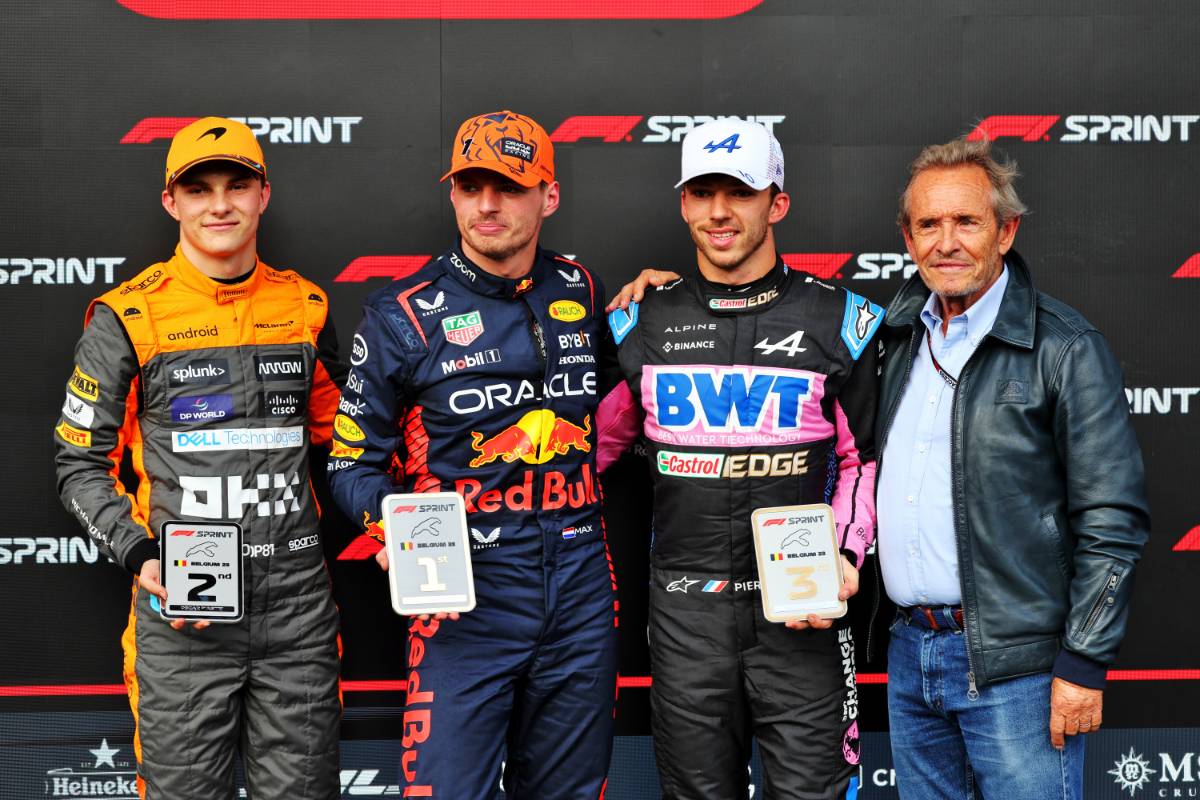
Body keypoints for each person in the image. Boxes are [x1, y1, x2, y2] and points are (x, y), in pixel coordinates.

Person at [326, 109, 617, 799]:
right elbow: (349, 464)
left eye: (509, 186)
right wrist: (390, 523)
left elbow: (617, 409)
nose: (487, 205)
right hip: (465, 593)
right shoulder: (403, 313)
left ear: (548, 195)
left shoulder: (581, 288)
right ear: (453, 193)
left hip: (580, 585)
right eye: (470, 186)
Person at [53, 116, 345, 799]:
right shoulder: (128, 316)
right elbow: (77, 465)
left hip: (296, 611)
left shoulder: (306, 306)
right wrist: (141, 554)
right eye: (200, 188)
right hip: (185, 617)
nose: (219, 204)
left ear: (263, 195)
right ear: (171, 202)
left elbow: (350, 441)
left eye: (237, 184)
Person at [597, 118, 884, 799]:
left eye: (741, 192)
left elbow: (863, 460)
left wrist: (844, 555)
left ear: (776, 202)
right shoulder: (639, 321)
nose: (719, 212)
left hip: (802, 607)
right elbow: (588, 454)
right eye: (702, 193)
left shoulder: (845, 320)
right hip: (684, 612)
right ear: (683, 203)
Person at [875, 137, 1150, 799]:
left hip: (1020, 672)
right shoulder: (892, 337)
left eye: (966, 221)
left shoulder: (1065, 347)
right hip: (912, 658)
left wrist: (1082, 661)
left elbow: (1113, 518)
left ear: (1006, 230)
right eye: (928, 224)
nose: (946, 242)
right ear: (907, 238)